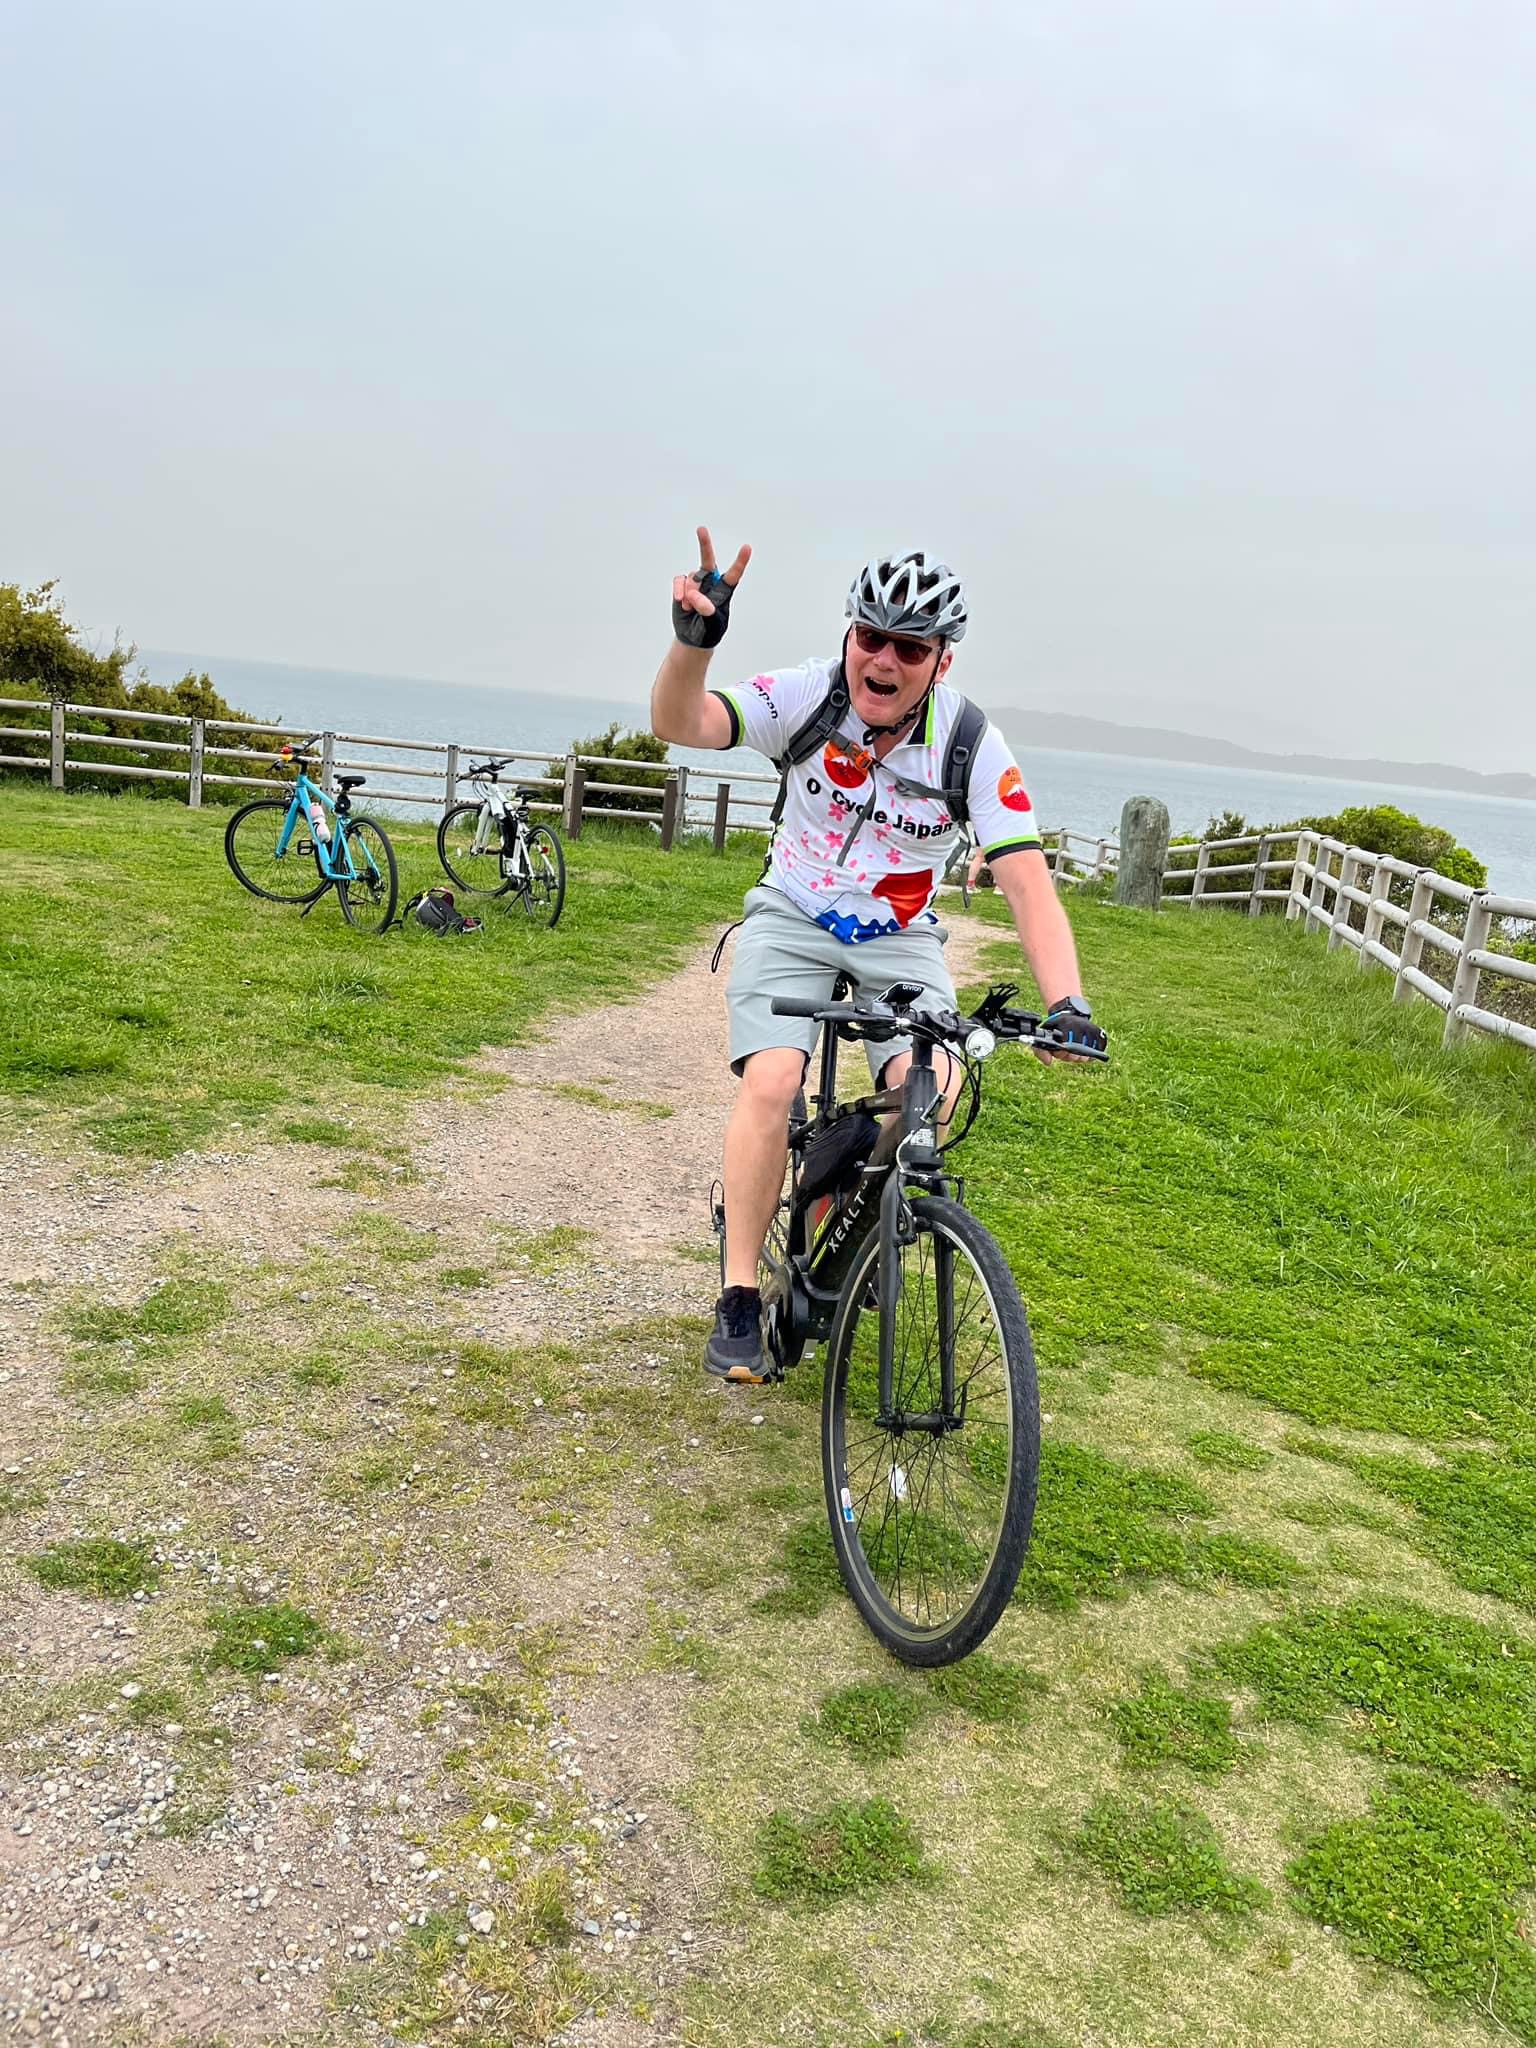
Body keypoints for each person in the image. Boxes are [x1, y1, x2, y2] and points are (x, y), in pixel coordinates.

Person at [651, 527, 1106, 1383]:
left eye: (911, 647)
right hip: (792, 910)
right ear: (849, 636)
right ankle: (741, 1296)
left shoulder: (969, 745)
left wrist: (1068, 1002)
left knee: (932, 1093)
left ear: (941, 662)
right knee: (774, 1079)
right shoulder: (806, 697)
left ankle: (835, 1178)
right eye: (871, 637)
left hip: (899, 934)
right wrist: (693, 644)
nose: (884, 660)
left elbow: (1026, 882)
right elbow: (681, 721)